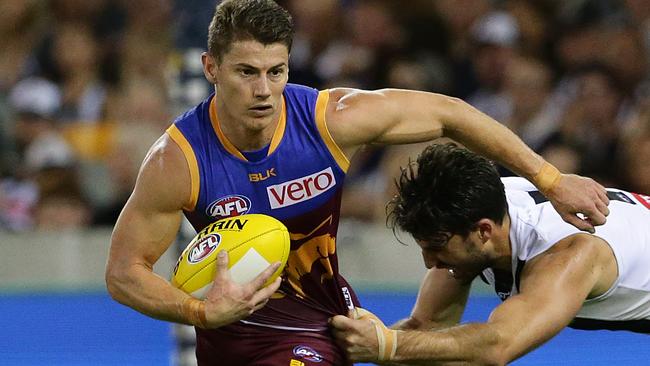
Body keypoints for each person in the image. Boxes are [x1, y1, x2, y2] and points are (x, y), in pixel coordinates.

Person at [105, 1, 609, 365]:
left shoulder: (329, 121)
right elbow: (124, 272)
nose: (264, 90)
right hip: (228, 337)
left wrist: (549, 176)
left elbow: (449, 113)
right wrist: (199, 311)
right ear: (210, 68)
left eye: (275, 71)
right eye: (246, 72)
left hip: (318, 326)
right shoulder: (179, 161)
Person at [330, 143, 650, 365]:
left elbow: (497, 346)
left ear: (484, 231)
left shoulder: (567, 256)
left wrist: (384, 345)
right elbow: (427, 329)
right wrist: (345, 342)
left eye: (437, 247)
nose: (429, 262)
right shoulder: (476, 210)